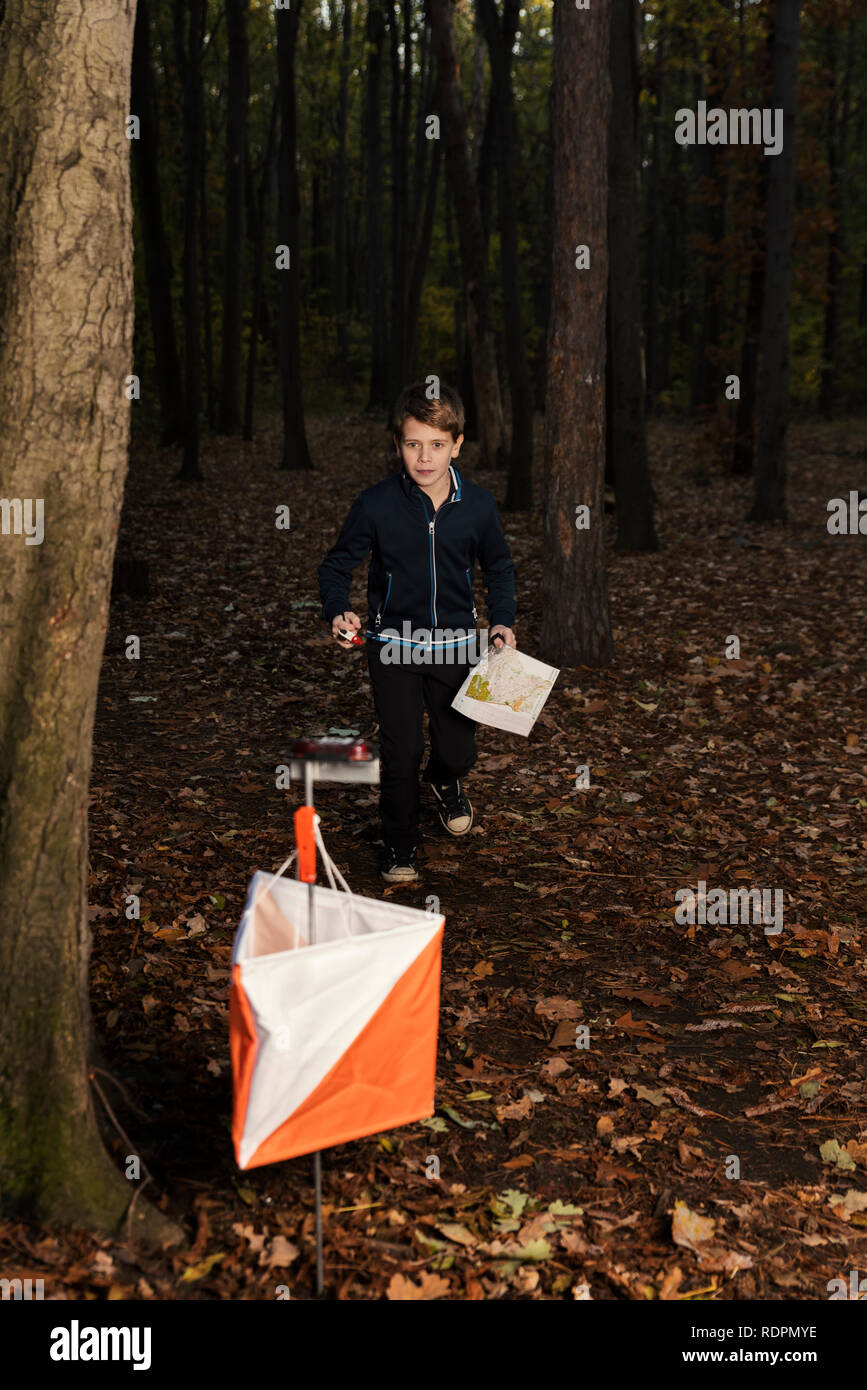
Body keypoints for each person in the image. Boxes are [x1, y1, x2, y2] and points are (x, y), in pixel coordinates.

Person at [318, 381, 516, 883]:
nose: (424, 457)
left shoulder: (479, 506)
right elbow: (336, 567)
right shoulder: (376, 504)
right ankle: (399, 845)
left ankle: (446, 781)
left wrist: (501, 621)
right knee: (402, 750)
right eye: (412, 444)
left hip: (457, 648)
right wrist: (338, 611)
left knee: (457, 749)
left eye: (436, 444)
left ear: (457, 444)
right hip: (393, 647)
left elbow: (499, 568)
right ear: (397, 445)